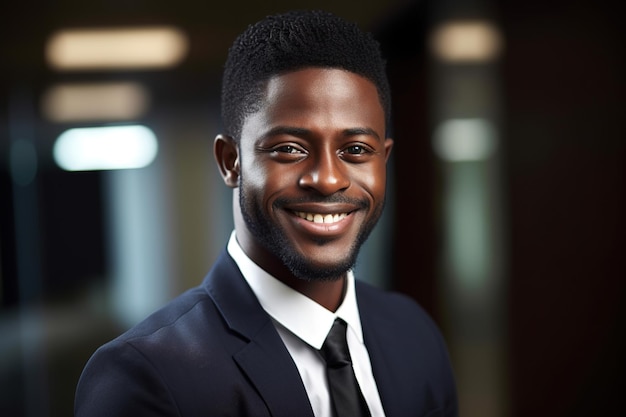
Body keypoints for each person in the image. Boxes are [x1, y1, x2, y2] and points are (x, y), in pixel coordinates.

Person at [74, 9, 458, 417]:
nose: (328, 179)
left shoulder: (415, 335)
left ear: (384, 160)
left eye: (356, 150)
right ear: (230, 161)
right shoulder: (145, 377)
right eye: (289, 149)